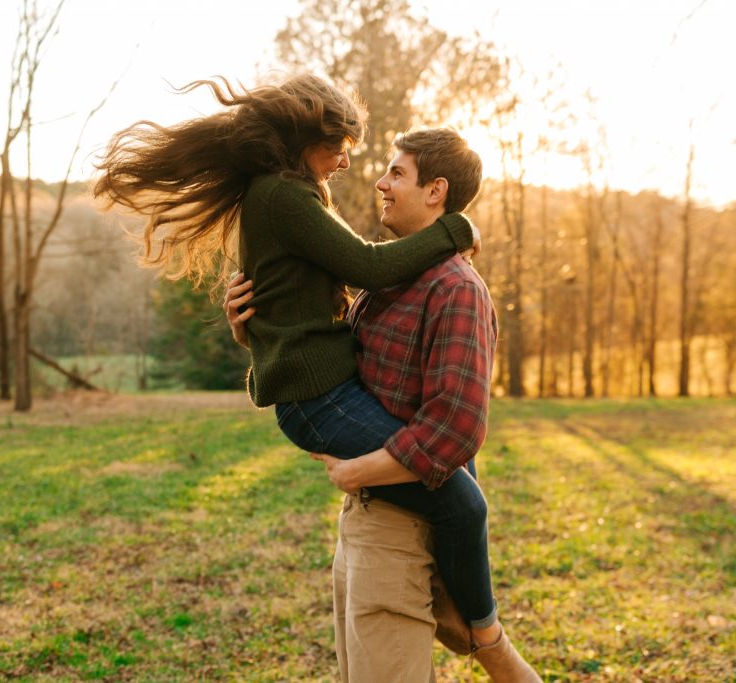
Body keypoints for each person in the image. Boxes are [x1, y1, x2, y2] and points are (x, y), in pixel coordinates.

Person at [93, 73, 501, 649]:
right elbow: (369, 267)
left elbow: (305, 305)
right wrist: (455, 229)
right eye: (340, 146)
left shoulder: (290, 192)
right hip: (320, 398)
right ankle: (483, 633)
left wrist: (253, 332)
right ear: (307, 136)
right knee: (462, 499)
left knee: (460, 470)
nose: (345, 162)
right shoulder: (285, 194)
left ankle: (452, 600)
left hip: (325, 387)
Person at [226, 128, 540, 681]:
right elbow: (323, 364)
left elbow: (456, 427)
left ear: (436, 190)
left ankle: (488, 638)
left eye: (397, 173)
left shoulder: (455, 289)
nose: (379, 182)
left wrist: (358, 470)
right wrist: (252, 331)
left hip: (402, 532)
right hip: (363, 523)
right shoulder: (388, 282)